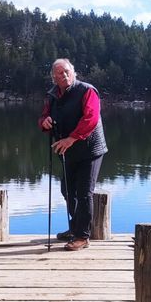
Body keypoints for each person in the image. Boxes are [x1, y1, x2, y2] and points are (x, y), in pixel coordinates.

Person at [38, 58, 108, 251]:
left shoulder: (87, 91)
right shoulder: (52, 95)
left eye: (67, 71)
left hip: (90, 149)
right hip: (67, 150)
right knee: (67, 190)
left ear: (74, 72)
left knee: (84, 193)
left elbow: (91, 118)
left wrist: (71, 138)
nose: (65, 75)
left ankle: (82, 237)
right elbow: (44, 115)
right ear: (54, 77)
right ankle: (75, 228)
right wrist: (45, 122)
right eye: (60, 73)